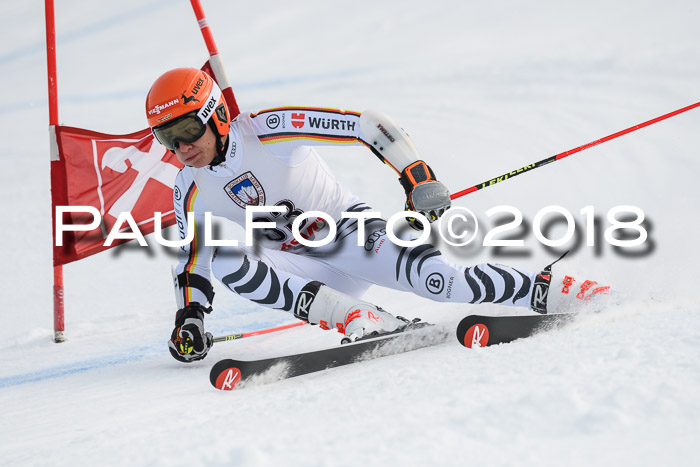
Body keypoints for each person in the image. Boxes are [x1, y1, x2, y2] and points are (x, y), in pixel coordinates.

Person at [145, 68, 610, 363]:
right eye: (167, 139)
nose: (182, 148)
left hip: (349, 234)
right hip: (304, 272)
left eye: (187, 129)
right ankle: (360, 318)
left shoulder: (267, 128)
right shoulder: (188, 187)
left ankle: (552, 287)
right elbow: (193, 261)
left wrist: (417, 175)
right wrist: (190, 316)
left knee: (443, 283)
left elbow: (365, 124)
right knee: (223, 254)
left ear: (216, 115)